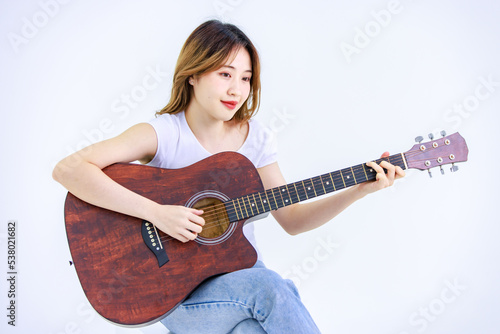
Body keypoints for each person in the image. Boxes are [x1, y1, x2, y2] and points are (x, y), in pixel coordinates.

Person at [53, 20, 405, 333]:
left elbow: (293, 221)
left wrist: (357, 190)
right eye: (225, 74)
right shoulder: (163, 133)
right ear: (193, 73)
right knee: (272, 288)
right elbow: (68, 169)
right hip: (176, 297)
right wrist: (157, 213)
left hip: (241, 280)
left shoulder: (257, 139)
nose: (237, 90)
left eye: (246, 78)